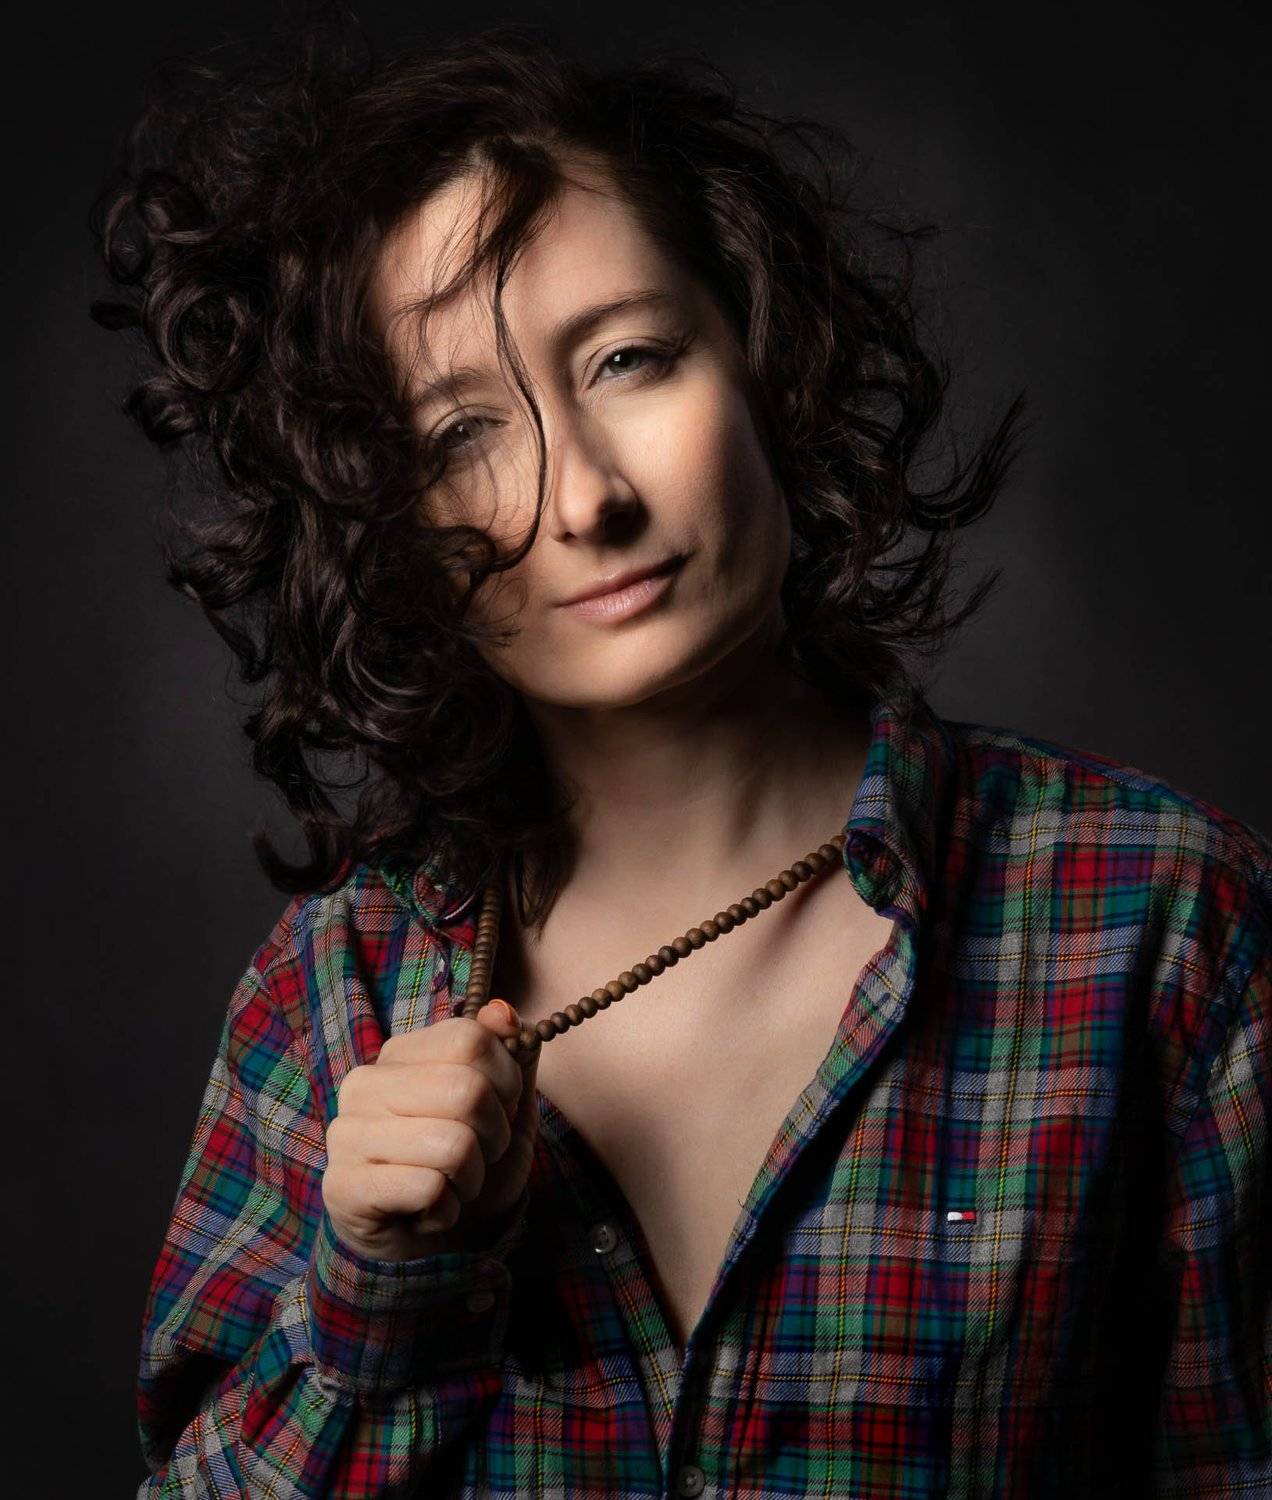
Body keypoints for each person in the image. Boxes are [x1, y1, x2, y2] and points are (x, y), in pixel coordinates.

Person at [91, 18, 1270, 1499]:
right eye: (460, 435)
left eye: (629, 360)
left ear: (765, 358)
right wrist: (377, 1295)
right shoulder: (334, 990)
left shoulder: (1160, 921)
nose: (583, 497)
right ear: (380, 518)